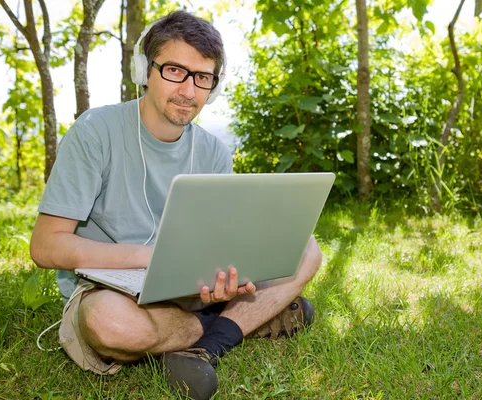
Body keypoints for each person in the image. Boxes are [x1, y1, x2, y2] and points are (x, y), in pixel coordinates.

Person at [29, 10, 323, 400]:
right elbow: (46, 246)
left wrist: (227, 272)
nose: (188, 90)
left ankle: (207, 341)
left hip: (187, 284)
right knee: (109, 323)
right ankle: (234, 324)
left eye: (202, 78)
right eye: (174, 71)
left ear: (213, 86)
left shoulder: (215, 152)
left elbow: (214, 239)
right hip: (112, 289)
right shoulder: (94, 131)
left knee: (307, 248)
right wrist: (147, 256)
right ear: (144, 70)